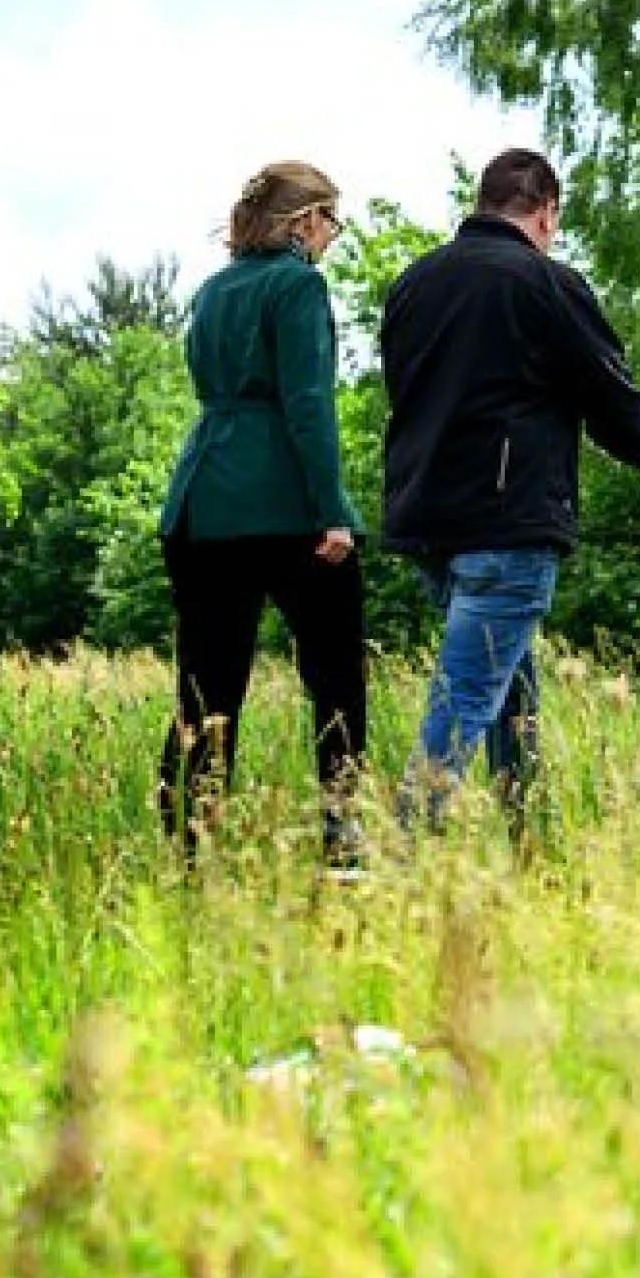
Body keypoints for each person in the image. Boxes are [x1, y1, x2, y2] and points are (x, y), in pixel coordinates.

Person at [381, 149, 640, 836]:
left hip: (427, 516)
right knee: (467, 694)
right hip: (506, 520)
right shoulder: (544, 282)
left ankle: (524, 831)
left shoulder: (413, 284)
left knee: (507, 679)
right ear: (546, 211)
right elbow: (609, 392)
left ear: (483, 202)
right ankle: (398, 859)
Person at [155, 160, 367, 869]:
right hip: (282, 500)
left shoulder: (213, 290)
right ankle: (342, 837)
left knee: (206, 684)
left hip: (202, 495)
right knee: (335, 674)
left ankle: (186, 843)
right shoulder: (298, 282)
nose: (333, 236)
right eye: (331, 220)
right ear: (305, 220)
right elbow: (308, 401)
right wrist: (332, 510)